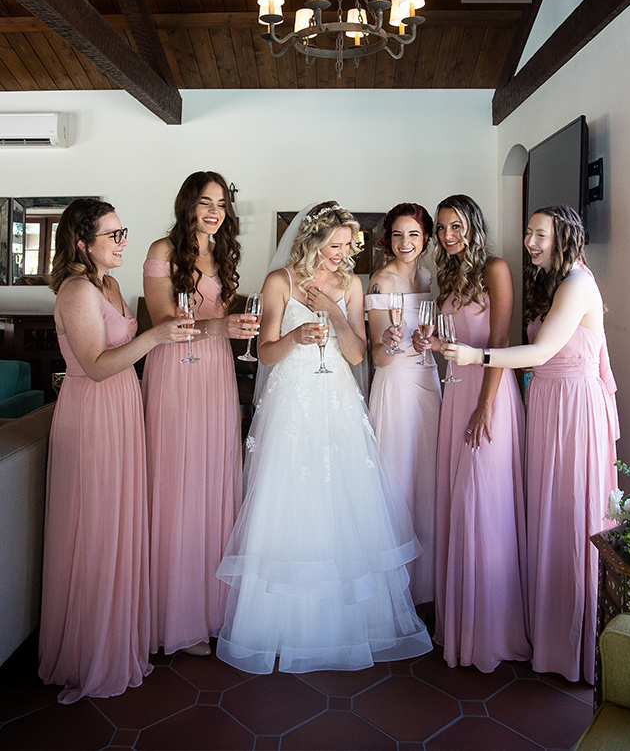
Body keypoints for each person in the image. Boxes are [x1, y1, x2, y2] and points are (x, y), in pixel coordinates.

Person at [216, 201, 432, 674]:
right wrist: (295, 338)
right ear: (311, 239)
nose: (339, 254)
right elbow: (266, 354)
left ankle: (346, 624)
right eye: (332, 245)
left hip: (336, 394)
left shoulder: (351, 285)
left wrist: (334, 313)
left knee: (343, 499)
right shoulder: (281, 282)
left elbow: (358, 354)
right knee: (291, 498)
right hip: (292, 398)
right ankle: (288, 626)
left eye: (345, 245)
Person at [442, 205, 619, 683]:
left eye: (540, 234)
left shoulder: (578, 283)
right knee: (545, 519)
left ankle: (578, 649)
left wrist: (477, 354)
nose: (530, 242)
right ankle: (549, 637)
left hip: (574, 411)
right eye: (528, 233)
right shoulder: (556, 282)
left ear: (565, 235)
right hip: (547, 405)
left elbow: (541, 351)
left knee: (570, 518)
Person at [39, 199, 192, 703]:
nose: (123, 241)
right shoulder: (77, 290)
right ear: (83, 243)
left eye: (123, 231)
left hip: (123, 406)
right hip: (93, 413)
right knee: (97, 527)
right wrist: (156, 335)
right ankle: (90, 653)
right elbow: (97, 365)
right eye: (113, 234)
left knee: (122, 521)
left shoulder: (109, 285)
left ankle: (119, 640)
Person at [142, 171, 257, 657]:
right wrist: (221, 325)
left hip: (215, 373)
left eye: (222, 203)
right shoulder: (163, 250)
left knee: (214, 480)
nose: (214, 210)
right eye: (205, 201)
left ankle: (214, 609)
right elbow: (164, 320)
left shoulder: (223, 254)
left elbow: (221, 325)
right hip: (177, 368)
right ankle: (178, 615)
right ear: (188, 204)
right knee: (180, 482)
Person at [415, 194, 530, 673]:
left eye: (455, 225)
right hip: (455, 393)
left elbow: (499, 342)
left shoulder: (496, 269)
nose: (447, 235)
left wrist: (486, 405)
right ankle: (459, 627)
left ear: (473, 225)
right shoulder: (451, 276)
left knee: (482, 505)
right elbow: (455, 346)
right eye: (441, 228)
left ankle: (490, 633)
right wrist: (432, 344)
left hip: (490, 395)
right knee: (458, 507)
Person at [365, 202, 441, 610]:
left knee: (426, 479)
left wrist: (426, 343)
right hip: (395, 385)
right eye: (397, 234)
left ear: (426, 237)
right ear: (387, 239)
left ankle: (424, 587)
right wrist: (394, 341)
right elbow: (377, 357)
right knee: (396, 482)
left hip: (428, 379)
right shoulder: (380, 282)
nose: (405, 242)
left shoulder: (430, 277)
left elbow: (434, 335)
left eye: (413, 234)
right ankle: (394, 593)